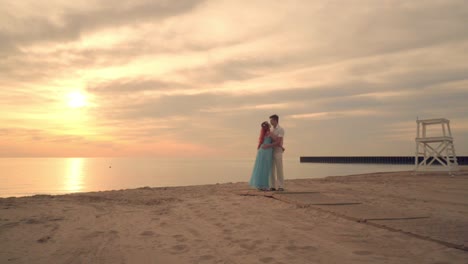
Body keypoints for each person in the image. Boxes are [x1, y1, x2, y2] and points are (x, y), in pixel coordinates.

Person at [249, 121, 280, 191]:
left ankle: (261, 185)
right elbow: (277, 141)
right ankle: (263, 185)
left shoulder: (265, 134)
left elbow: (276, 141)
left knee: (261, 168)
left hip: (263, 151)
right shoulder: (268, 133)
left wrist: (268, 145)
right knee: (264, 168)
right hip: (265, 151)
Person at [262, 114, 285, 191]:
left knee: (279, 169)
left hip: (278, 151)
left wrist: (267, 146)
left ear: (275, 120)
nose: (270, 122)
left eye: (271, 120)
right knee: (271, 169)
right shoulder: (271, 130)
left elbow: (278, 142)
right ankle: (272, 186)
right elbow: (270, 139)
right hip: (271, 152)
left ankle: (281, 186)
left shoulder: (281, 129)